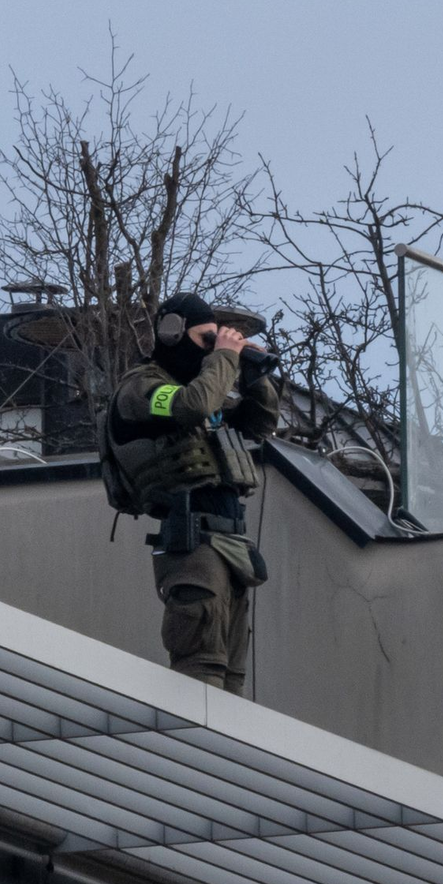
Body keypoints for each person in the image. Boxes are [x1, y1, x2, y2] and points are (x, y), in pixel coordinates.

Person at [105, 293, 279, 694]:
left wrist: (254, 376)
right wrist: (224, 358)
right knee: (200, 674)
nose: (211, 352)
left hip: (230, 546)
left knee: (232, 684)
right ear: (172, 334)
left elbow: (261, 423)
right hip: (194, 549)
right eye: (205, 341)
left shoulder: (203, 394)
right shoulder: (142, 388)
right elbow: (193, 405)